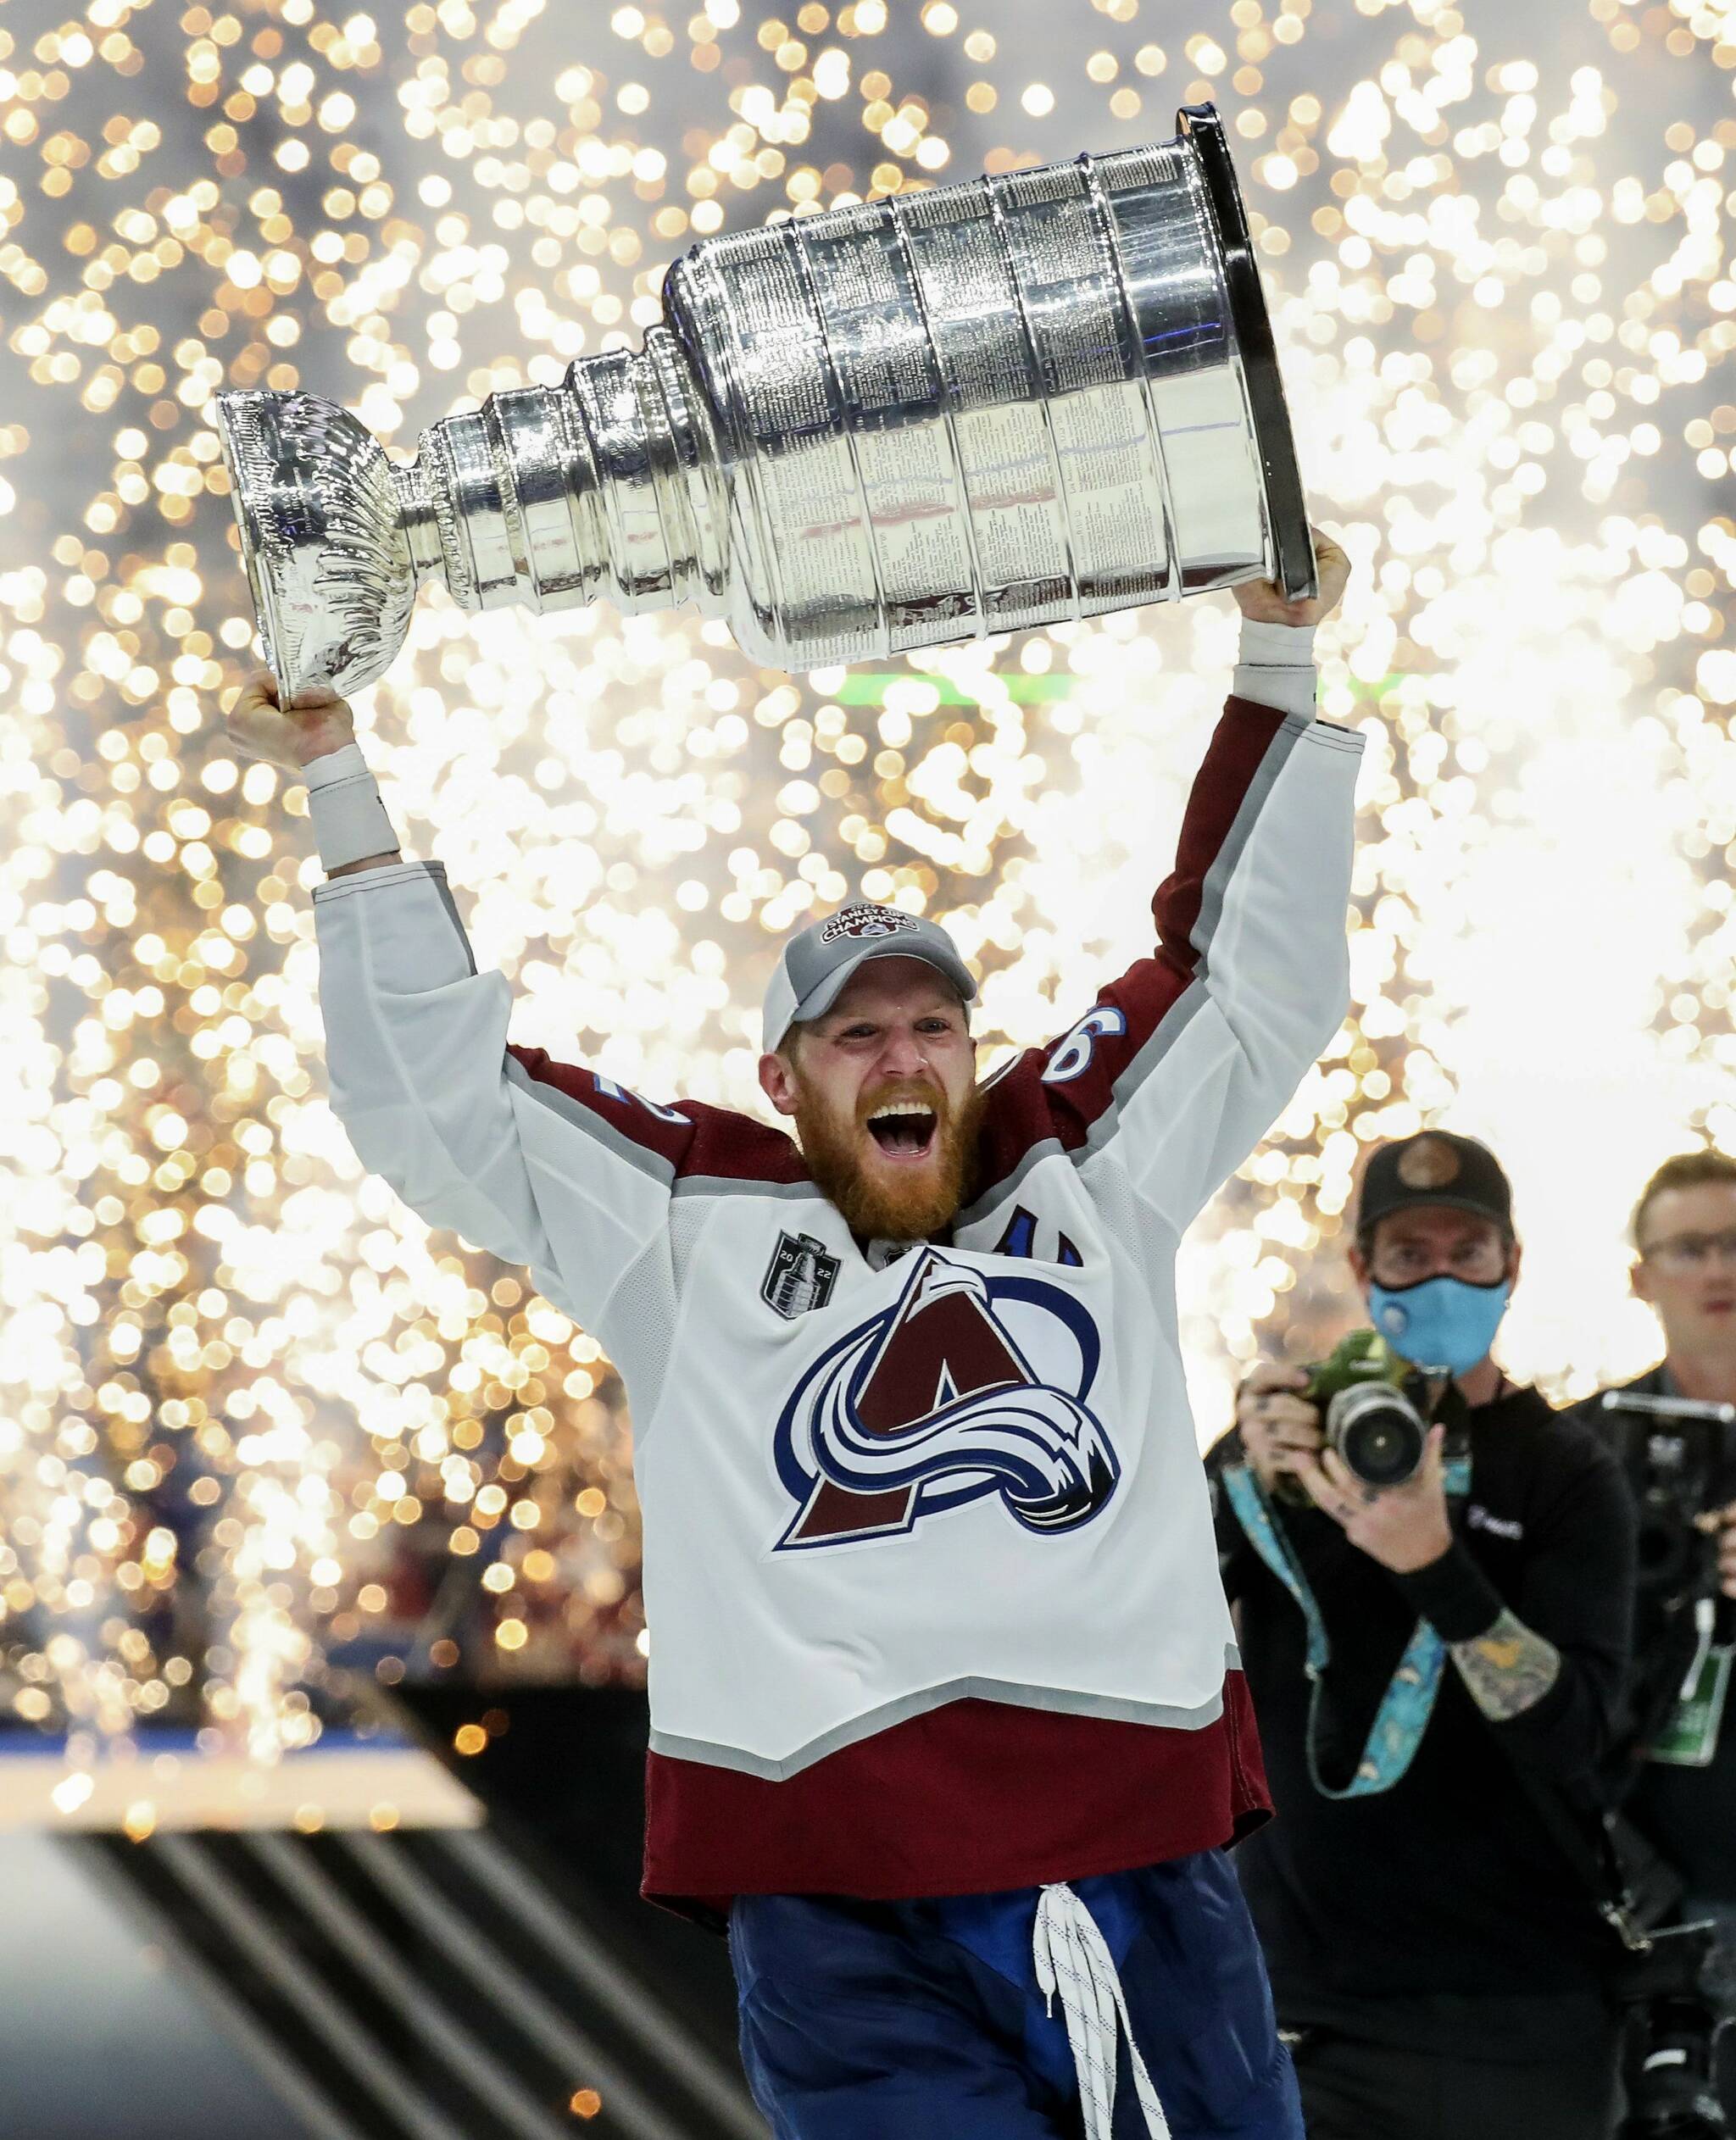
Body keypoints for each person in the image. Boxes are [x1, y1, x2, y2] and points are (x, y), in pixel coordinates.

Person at [226, 526, 1361, 2140]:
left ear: (969, 1049)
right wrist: (337, 773)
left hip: (1132, 1861)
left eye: (931, 1023)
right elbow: (439, 1103)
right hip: (839, 1908)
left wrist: (1276, 649)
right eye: (855, 1033)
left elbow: (1248, 977)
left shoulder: (1084, 1156)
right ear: (785, 1077)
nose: (901, 1052)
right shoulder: (685, 1213)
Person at [1216, 1130, 1638, 2139]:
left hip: (1519, 2016)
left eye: (1466, 1249)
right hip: (1306, 2012)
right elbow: (1150, 1628)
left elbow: (1577, 1739)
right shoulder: (1287, 1449)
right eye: (1409, 1252)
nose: (1440, 1274)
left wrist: (1434, 1566)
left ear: (1510, 1265)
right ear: (1362, 1269)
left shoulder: (1565, 1473)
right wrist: (1229, 1482)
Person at [1567, 1148, 1736, 2114]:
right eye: (1688, 1247)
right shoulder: (1581, 1449)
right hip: (1635, 1891)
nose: (1715, 1269)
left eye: (1732, 1244)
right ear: (1640, 1275)